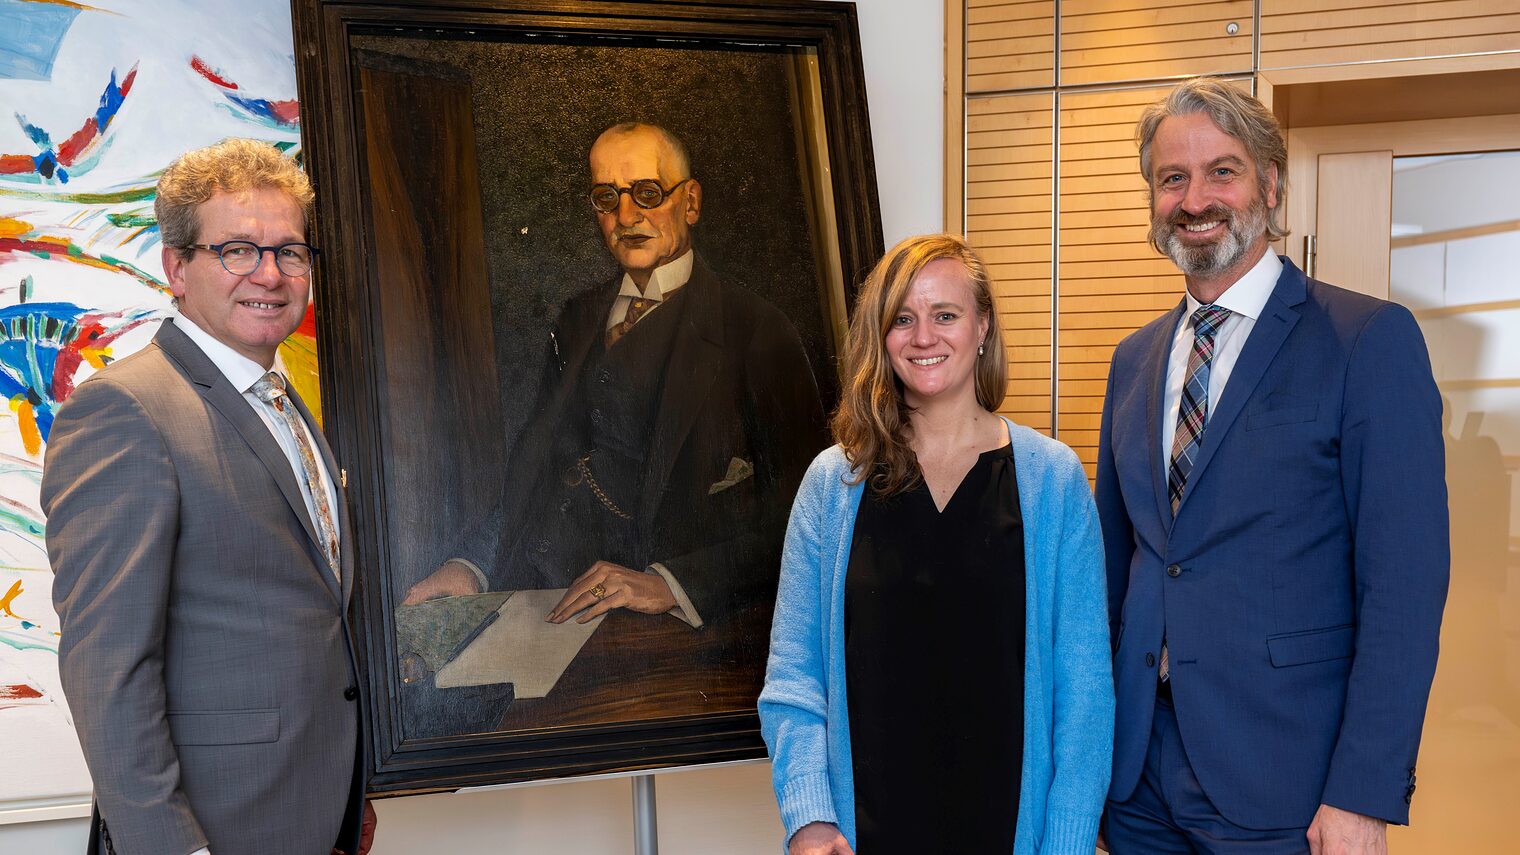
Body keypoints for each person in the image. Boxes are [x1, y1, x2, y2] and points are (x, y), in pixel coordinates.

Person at [1096, 78, 1448, 853]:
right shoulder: (1133, 361)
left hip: (1288, 784)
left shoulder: (1368, 341)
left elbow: (1404, 587)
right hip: (1136, 786)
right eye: (1171, 178)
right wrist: (1096, 767)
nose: (1196, 199)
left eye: (1223, 170)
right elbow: (1116, 579)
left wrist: (1364, 790)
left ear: (1271, 182)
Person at [44, 139, 374, 855]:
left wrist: (349, 792)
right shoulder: (125, 409)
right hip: (212, 833)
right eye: (237, 249)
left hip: (315, 815)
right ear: (177, 267)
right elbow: (108, 669)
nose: (271, 273)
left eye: (290, 250)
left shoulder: (287, 404)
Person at [759, 234, 1113, 855]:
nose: (923, 337)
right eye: (903, 319)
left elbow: (1083, 695)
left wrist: (1068, 842)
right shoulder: (833, 484)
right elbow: (794, 678)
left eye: (944, 315)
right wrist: (810, 816)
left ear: (982, 328)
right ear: (882, 336)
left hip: (1012, 833)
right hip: (863, 834)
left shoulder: (1052, 480)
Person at [403, 122, 827, 633]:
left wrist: (672, 584)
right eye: (607, 198)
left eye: (648, 193)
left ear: (690, 202)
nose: (627, 216)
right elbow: (538, 474)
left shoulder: (758, 330)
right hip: (540, 608)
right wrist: (471, 566)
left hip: (663, 633)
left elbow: (811, 519)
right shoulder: (578, 318)